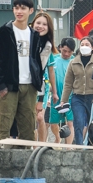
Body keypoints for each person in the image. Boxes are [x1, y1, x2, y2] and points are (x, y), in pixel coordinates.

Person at [0, 0, 45, 145]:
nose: (19, 11)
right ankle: (2, 163)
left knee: (28, 128)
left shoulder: (34, 34)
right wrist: (1, 84)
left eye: (23, 8)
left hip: (30, 86)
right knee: (3, 126)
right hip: (9, 86)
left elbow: (36, 60)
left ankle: (25, 163)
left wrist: (37, 82)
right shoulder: (4, 32)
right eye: (16, 8)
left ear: (30, 10)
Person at [61, 37, 93, 146]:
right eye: (82, 45)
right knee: (78, 122)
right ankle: (79, 146)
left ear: (92, 47)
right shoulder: (73, 62)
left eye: (87, 45)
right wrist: (64, 100)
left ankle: (91, 145)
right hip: (78, 97)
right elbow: (68, 83)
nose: (84, 47)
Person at [32, 12, 57, 143]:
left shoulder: (48, 47)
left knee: (40, 117)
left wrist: (55, 92)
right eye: (38, 23)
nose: (40, 26)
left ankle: (40, 147)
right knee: (28, 118)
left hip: (42, 86)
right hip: (25, 84)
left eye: (44, 24)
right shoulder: (27, 40)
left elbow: (51, 71)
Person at [50, 38, 75, 144]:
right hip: (56, 96)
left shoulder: (74, 62)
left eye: (69, 52)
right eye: (64, 51)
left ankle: (68, 146)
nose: (67, 54)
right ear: (60, 48)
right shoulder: (53, 60)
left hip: (70, 97)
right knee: (53, 122)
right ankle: (57, 137)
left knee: (70, 123)